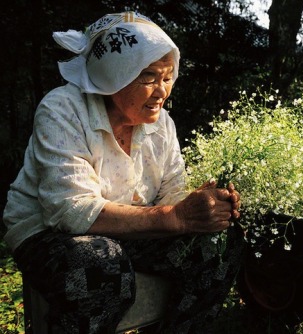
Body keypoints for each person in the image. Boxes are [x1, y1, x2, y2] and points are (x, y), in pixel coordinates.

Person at [2, 11, 244, 334]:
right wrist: (176, 216)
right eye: (149, 77)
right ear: (114, 75)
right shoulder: (62, 110)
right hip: (45, 231)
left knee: (221, 245)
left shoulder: (162, 126)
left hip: (128, 228)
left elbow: (172, 195)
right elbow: (70, 212)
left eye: (168, 77)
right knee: (103, 265)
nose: (162, 91)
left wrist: (202, 208)